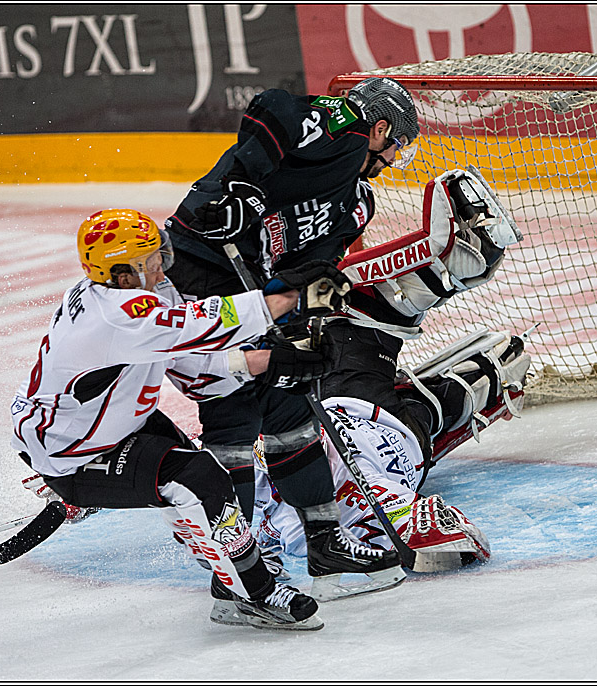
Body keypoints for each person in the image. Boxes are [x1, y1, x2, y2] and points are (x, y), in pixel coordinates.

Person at [11, 208, 349, 631]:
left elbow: (189, 361)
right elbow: (201, 327)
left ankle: (226, 565)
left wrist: (270, 362)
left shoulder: (135, 298)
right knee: (200, 480)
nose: (162, 263)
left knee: (197, 484)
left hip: (112, 429)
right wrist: (284, 299)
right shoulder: (118, 315)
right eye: (151, 259)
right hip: (73, 453)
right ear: (122, 275)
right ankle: (254, 595)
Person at [162, 77, 421, 598]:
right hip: (202, 261)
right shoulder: (343, 127)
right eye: (396, 147)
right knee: (231, 412)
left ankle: (326, 544)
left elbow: (312, 268)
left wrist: (306, 327)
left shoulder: (354, 201)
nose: (393, 160)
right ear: (382, 126)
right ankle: (235, 570)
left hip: (256, 286)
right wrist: (244, 186)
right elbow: (272, 108)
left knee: (291, 407)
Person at [253, 166, 530, 575]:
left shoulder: (268, 516)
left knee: (466, 384)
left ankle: (455, 263)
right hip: (365, 411)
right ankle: (452, 256)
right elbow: (464, 542)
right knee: (347, 304)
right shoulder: (343, 508)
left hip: (383, 428)